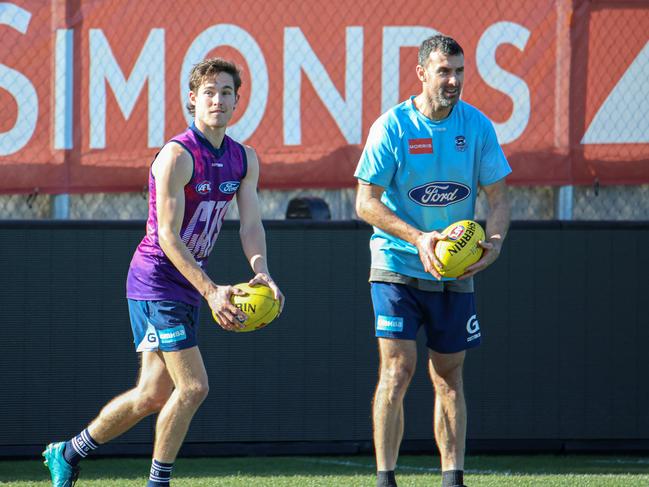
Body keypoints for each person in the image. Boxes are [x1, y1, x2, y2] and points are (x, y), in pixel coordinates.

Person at [43, 57, 284, 487]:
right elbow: (168, 237)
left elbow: (250, 224)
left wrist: (262, 273)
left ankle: (68, 451)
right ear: (192, 100)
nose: (218, 100)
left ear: (236, 101)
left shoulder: (244, 159)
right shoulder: (177, 156)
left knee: (152, 394)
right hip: (155, 280)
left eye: (226, 92)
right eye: (208, 92)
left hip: (186, 285)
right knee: (193, 388)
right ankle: (159, 482)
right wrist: (211, 291)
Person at [354, 35, 511, 487]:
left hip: (454, 270)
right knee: (397, 369)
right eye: (444, 71)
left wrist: (494, 241)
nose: (454, 80)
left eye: (460, 71)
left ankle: (452, 478)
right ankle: (385, 478)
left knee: (448, 374)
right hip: (397, 263)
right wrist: (418, 237)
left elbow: (498, 198)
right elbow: (366, 202)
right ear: (421, 73)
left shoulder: (477, 126)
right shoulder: (392, 127)